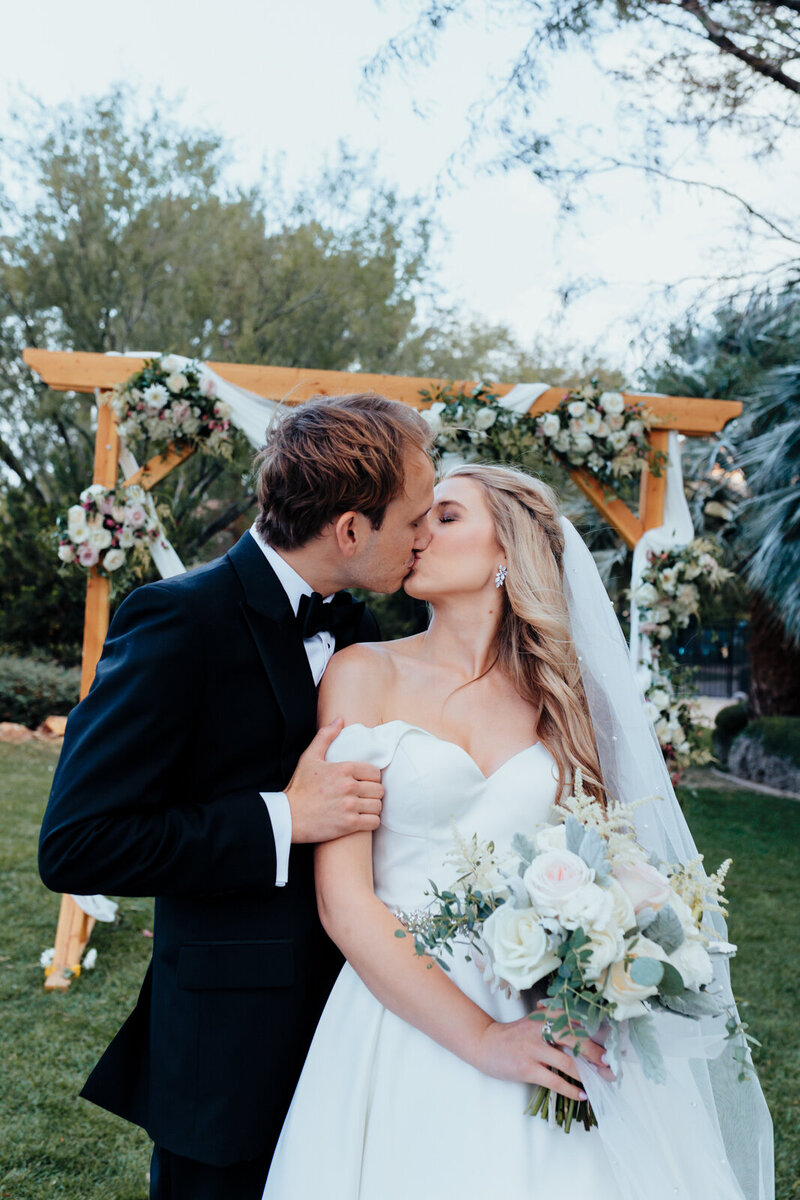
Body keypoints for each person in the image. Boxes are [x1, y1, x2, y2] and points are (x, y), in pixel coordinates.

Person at [263, 464, 773, 1200]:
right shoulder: (363, 672)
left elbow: (614, 860)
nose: (416, 534)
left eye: (444, 518)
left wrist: (601, 955)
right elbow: (343, 901)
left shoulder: (563, 701)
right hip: (397, 1008)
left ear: (508, 550)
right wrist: (483, 1039)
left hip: (541, 1007)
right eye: (418, 518)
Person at [38, 392, 435, 1200]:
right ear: (351, 529)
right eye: (417, 517)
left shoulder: (366, 638)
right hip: (228, 1052)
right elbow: (78, 843)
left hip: (365, 1034)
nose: (425, 536)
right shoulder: (179, 622)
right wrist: (287, 818)